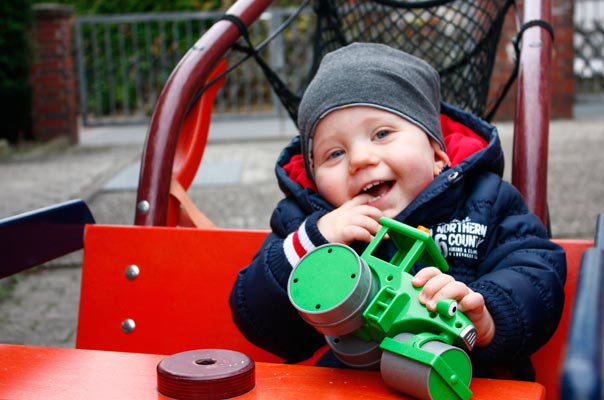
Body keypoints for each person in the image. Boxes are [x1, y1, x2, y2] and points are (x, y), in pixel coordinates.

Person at [229, 42, 566, 380]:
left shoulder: (485, 200)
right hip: (349, 385)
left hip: (467, 379)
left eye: (382, 134)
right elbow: (258, 317)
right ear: (315, 179)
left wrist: (489, 316)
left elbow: (536, 272)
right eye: (334, 154)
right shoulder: (306, 223)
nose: (360, 159)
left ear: (437, 153)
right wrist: (315, 240)